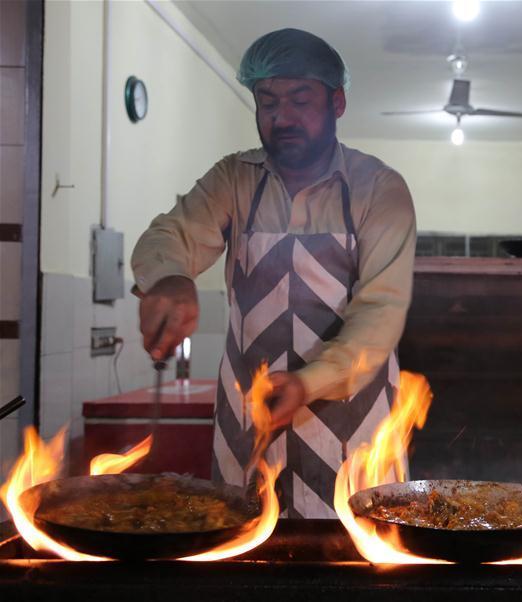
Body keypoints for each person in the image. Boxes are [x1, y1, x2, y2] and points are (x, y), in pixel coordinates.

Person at [131, 29, 416, 518]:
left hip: (357, 432)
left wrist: (309, 382)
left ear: (337, 102)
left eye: (300, 100)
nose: (281, 117)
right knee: (243, 568)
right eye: (267, 102)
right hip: (251, 428)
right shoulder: (234, 179)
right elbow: (167, 237)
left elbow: (380, 313)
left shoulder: (379, 190)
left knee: (358, 574)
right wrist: (170, 278)